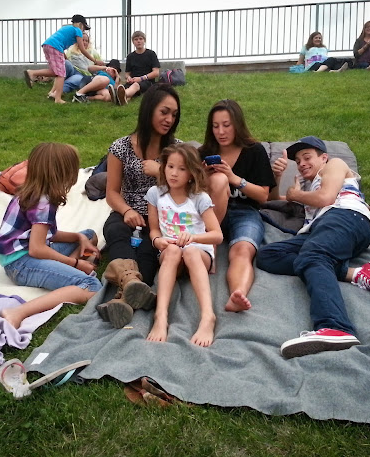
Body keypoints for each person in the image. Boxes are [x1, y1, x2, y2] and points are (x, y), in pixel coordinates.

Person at [256, 136, 370, 358]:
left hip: (346, 217)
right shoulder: (308, 188)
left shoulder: (334, 165)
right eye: (298, 161)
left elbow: (326, 198)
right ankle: (354, 273)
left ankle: (336, 326)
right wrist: (277, 177)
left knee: (314, 256)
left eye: (307, 157)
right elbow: (271, 199)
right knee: (268, 256)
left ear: (324, 157)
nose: (302, 163)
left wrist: (297, 195)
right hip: (322, 230)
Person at [0, 143, 102, 329]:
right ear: (65, 173)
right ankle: (18, 312)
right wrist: (75, 263)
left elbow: (46, 235)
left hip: (22, 254)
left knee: (88, 235)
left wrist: (78, 237)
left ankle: (64, 271)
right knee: (91, 286)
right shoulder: (43, 202)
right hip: (21, 265)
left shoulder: (33, 192)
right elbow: (37, 249)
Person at [98, 84, 182, 328]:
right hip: (127, 211)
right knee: (115, 231)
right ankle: (134, 290)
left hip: (161, 219)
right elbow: (112, 192)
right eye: (164, 112)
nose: (169, 119)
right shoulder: (121, 147)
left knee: (147, 252)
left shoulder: (177, 150)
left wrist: (161, 173)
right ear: (149, 110)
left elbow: (187, 190)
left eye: (174, 114)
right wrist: (127, 211)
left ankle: (121, 299)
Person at [198, 99, 275, 313]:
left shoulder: (254, 151)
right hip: (211, 212)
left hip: (244, 212)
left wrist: (234, 178)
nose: (221, 132)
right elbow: (190, 193)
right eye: (215, 126)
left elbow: (263, 196)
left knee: (243, 250)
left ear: (237, 124)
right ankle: (211, 247)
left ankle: (237, 294)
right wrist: (202, 177)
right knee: (218, 180)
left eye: (226, 125)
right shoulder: (204, 153)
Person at [145, 143, 223, 347]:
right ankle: (160, 316)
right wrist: (157, 240)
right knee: (172, 250)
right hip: (170, 252)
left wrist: (193, 238)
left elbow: (217, 235)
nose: (174, 173)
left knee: (190, 252)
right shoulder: (155, 194)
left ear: (191, 173)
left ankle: (208, 316)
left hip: (198, 253)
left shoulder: (199, 198)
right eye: (170, 166)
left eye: (181, 169)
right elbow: (154, 229)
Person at [23, 14, 99, 104]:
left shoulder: (66, 28)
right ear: (81, 24)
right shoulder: (77, 30)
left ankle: (32, 73)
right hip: (55, 47)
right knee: (61, 74)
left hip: (47, 45)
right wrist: (94, 60)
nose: (83, 31)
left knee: (55, 72)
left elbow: (60, 41)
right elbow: (82, 49)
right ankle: (58, 99)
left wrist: (65, 57)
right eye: (84, 28)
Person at [115, 30, 160, 106]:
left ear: (144, 41)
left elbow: (156, 72)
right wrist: (128, 78)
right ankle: (123, 99)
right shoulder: (130, 56)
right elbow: (127, 73)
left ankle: (122, 95)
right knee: (124, 87)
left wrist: (141, 78)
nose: (138, 41)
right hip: (133, 81)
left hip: (147, 82)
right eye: (136, 39)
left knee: (135, 86)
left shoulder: (151, 54)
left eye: (140, 39)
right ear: (133, 42)